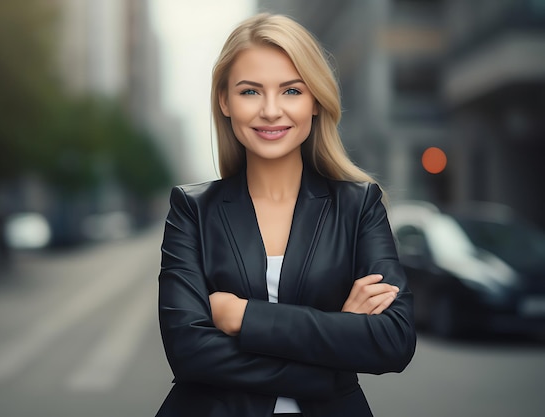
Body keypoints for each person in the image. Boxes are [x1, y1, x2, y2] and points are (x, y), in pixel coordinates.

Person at [156, 13, 416, 417]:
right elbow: (190, 352)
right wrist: (336, 346)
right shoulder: (192, 210)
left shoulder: (359, 205)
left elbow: (393, 340)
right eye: (250, 92)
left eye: (291, 90)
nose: (271, 110)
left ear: (315, 100)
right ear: (225, 101)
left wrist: (242, 316)